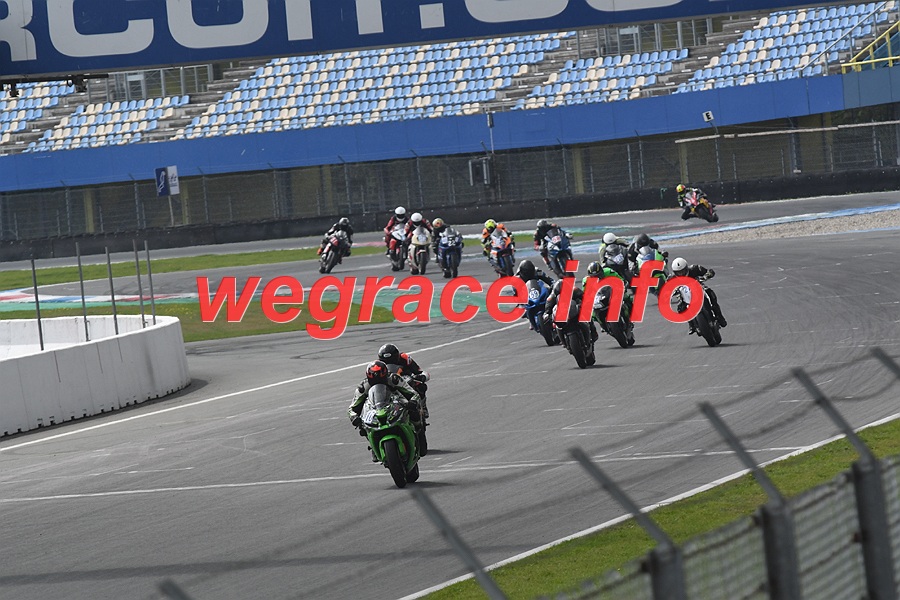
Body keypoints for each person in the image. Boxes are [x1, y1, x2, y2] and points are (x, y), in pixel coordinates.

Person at [348, 360, 423, 460]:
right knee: (362, 426)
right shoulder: (363, 387)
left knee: (414, 412)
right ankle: (373, 447)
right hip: (374, 407)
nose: (377, 380)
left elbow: (413, 393)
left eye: (380, 377)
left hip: (396, 401)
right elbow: (352, 408)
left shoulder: (394, 379)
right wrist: (354, 417)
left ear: (385, 374)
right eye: (374, 379)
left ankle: (419, 433)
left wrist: (413, 401)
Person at [671, 257, 728, 330]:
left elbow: (709, 271)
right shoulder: (671, 278)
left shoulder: (694, 268)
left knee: (710, 293)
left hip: (698, 288)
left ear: (686, 268)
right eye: (678, 272)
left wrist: (707, 275)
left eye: (682, 271)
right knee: (680, 307)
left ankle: (719, 316)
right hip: (684, 294)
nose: (681, 273)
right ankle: (691, 324)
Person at [376, 343, 430, 419]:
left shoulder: (405, 358)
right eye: (386, 362)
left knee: (421, 386)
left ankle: (423, 407)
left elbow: (420, 371)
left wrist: (421, 377)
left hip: (405, 381)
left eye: (392, 360)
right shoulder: (378, 365)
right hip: (389, 382)